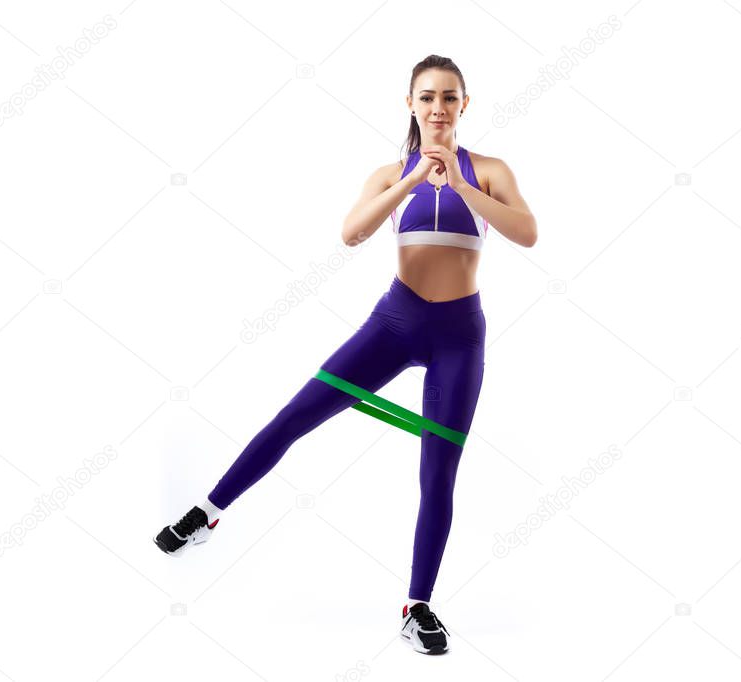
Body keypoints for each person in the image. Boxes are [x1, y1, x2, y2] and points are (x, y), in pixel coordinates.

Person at [154, 54, 537, 655]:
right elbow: (351, 233)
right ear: (410, 104)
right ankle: (208, 511)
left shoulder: (489, 170)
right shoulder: (389, 174)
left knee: (438, 471)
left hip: (460, 336)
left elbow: (527, 231)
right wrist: (413, 180)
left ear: (465, 105)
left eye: (450, 98)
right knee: (295, 417)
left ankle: (419, 606)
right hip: (395, 322)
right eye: (428, 97)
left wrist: (460, 184)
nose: (438, 108)